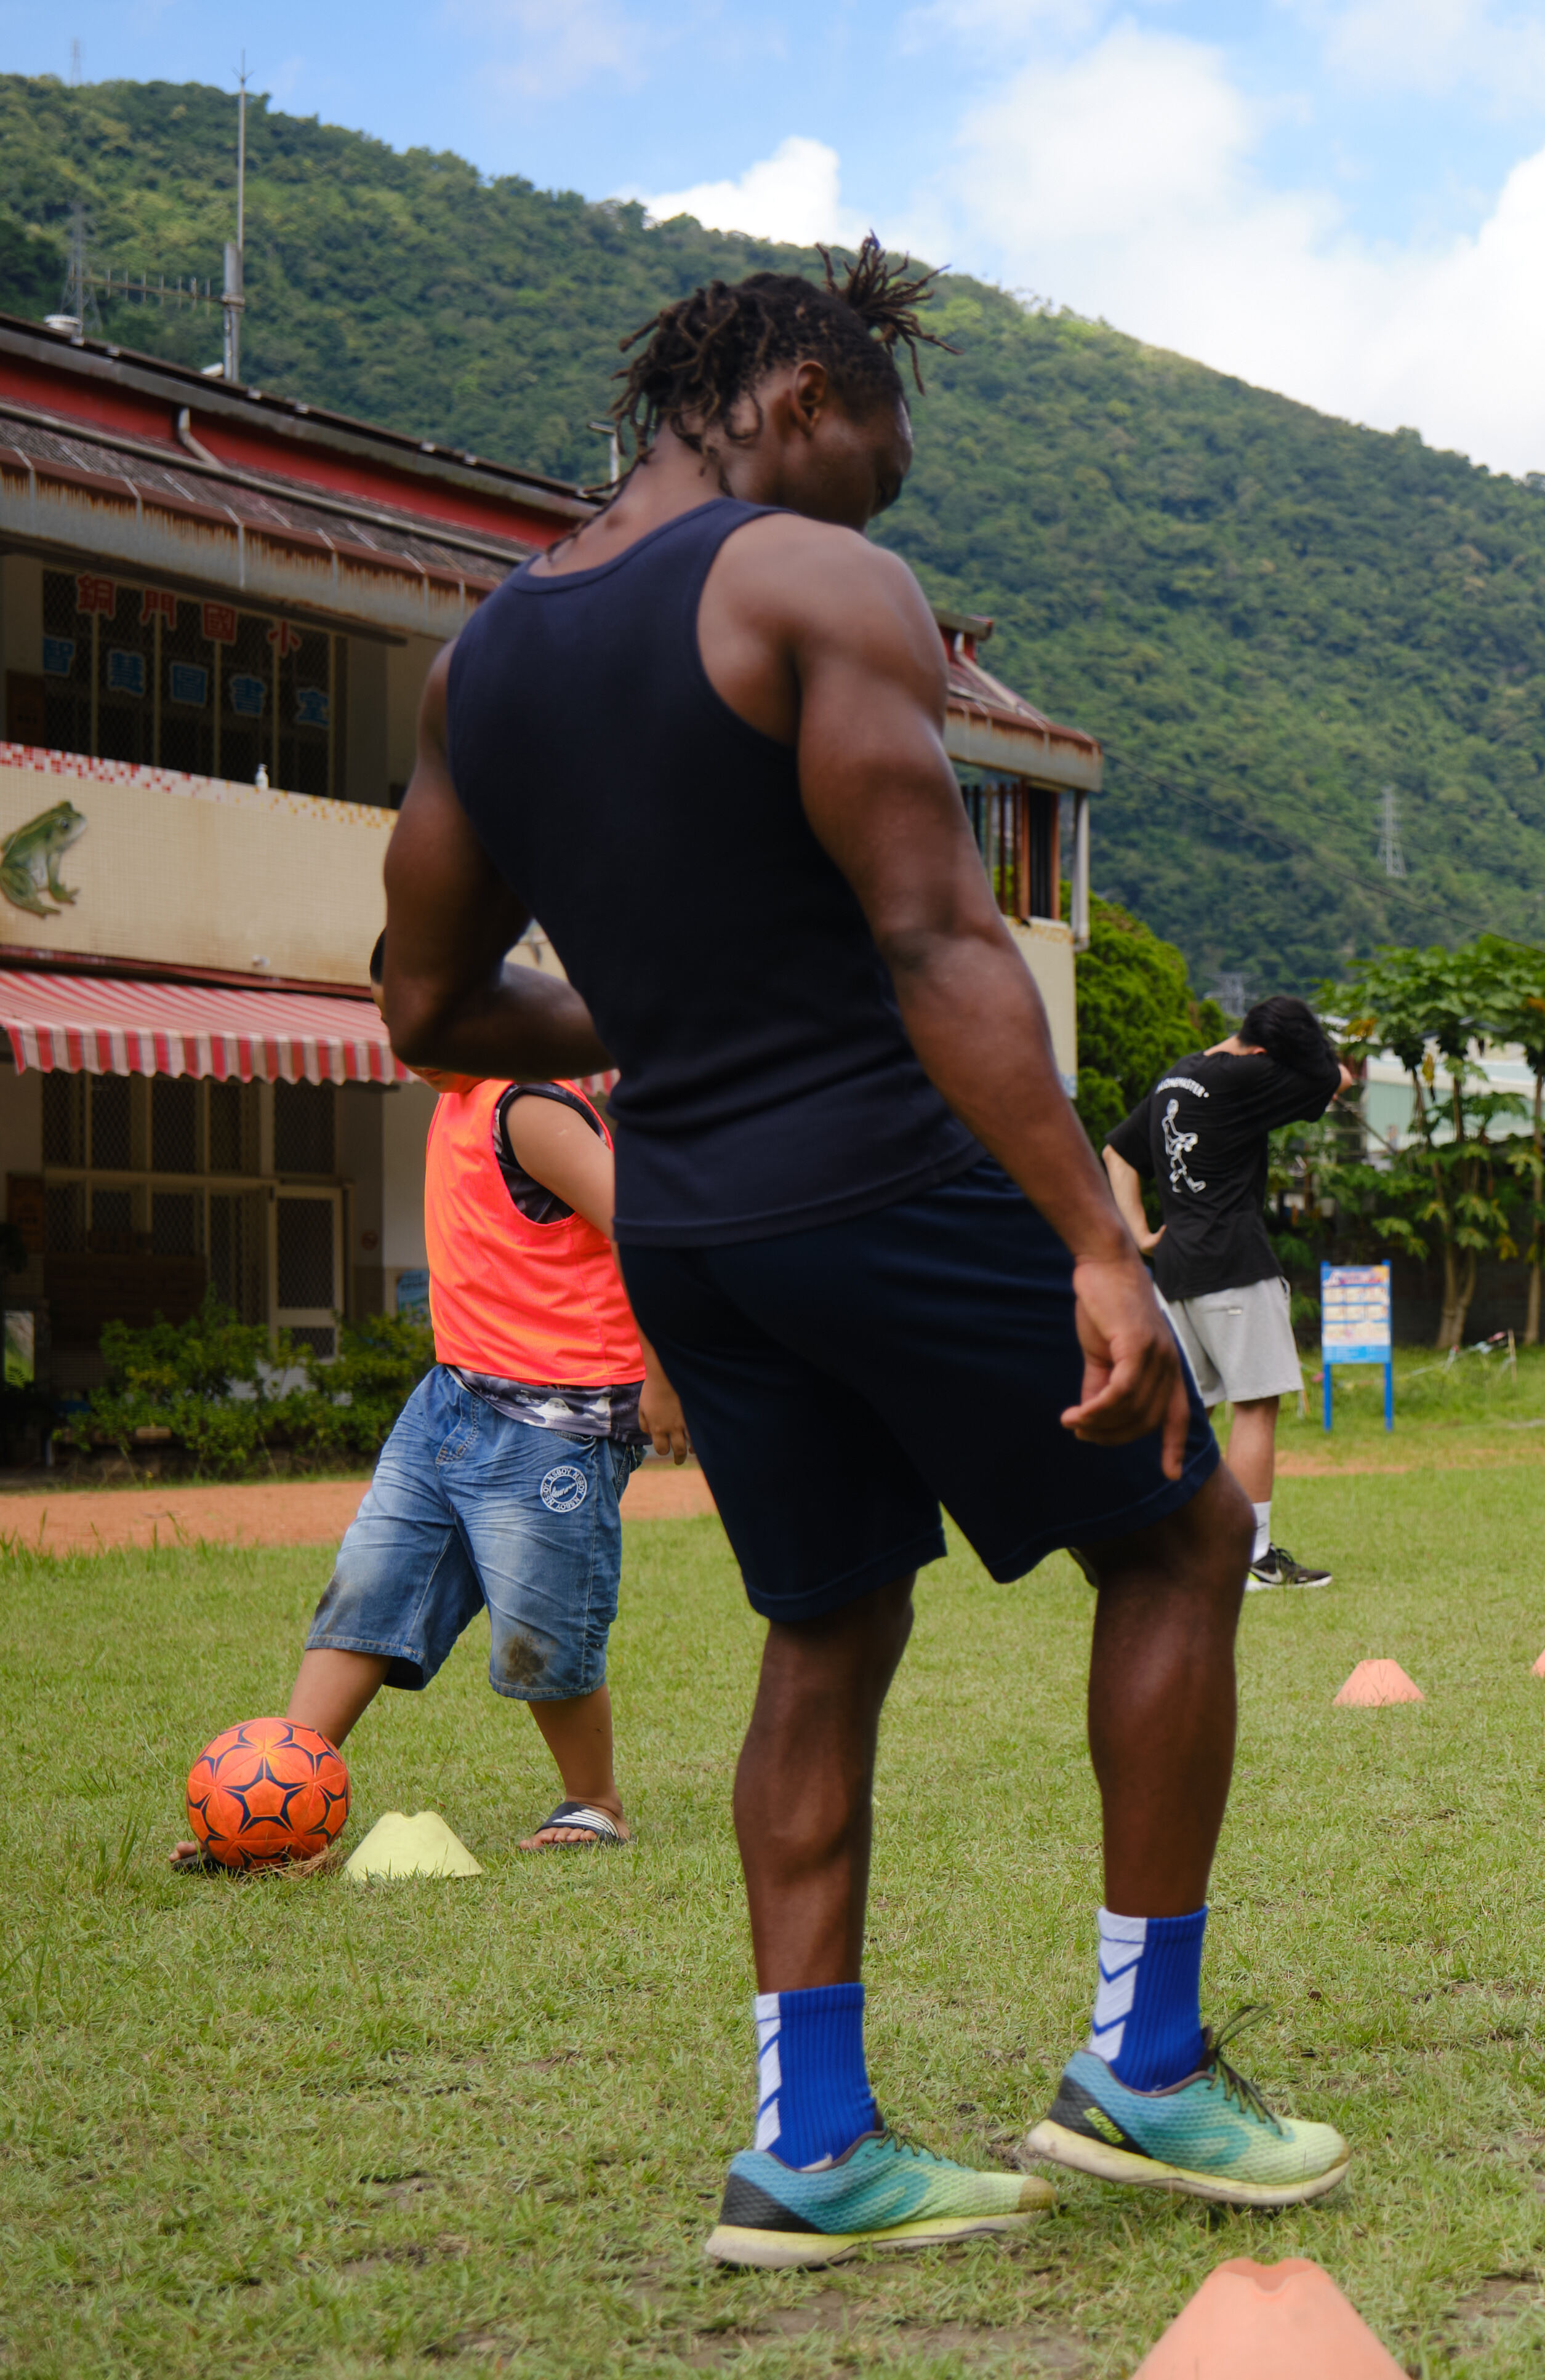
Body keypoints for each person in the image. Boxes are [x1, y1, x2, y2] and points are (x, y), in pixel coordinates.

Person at [377, 245, 1348, 2270]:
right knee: (1175, 1536)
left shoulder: (485, 660)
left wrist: (659, 1024)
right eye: (874, 465)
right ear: (806, 393)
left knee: (825, 1625)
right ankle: (1144, 2072)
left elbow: (427, 1003)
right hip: (889, 1176)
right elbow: (933, 936)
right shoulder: (806, 584)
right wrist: (1097, 1239)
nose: (876, 515)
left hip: (703, 1223)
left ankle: (811, 2144)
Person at [174, 945, 690, 1870]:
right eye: (389, 1020)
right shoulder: (455, 1099)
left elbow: (646, 1228)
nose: (403, 1041)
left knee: (543, 1624)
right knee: (370, 1589)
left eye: (419, 1016)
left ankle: (594, 1801)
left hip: (559, 1421)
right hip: (449, 1401)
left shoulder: (527, 1104)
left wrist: (663, 1378)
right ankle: (274, 1809)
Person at [1102, 993, 1357, 1591]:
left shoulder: (1176, 1078)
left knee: (1186, 1412)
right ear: (1268, 1052)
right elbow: (1335, 1077)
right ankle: (1250, 1556)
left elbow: (1116, 1151)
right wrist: (1307, 1054)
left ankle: (1161, 1547)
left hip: (1175, 1270)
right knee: (1256, 1403)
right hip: (1232, 1263)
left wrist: (1140, 1233)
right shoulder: (1251, 1076)